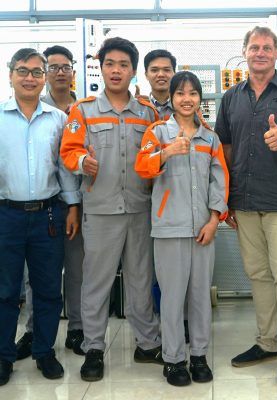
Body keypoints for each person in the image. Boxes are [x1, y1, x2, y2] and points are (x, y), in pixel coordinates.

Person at [215, 26, 277, 386]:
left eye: (267, 47)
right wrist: (225, 199)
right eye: (254, 47)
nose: (260, 52)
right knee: (258, 275)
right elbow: (223, 151)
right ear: (244, 52)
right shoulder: (230, 98)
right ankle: (267, 342)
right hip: (243, 200)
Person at [60, 37, 162, 382]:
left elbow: (154, 158)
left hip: (139, 209)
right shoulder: (84, 110)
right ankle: (93, 348)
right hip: (101, 210)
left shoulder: (147, 113)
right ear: (100, 68)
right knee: (96, 282)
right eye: (109, 64)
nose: (116, 70)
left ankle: (147, 343)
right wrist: (82, 161)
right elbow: (68, 151)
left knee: (140, 279)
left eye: (123, 65)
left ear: (133, 71)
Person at [136, 71, 228, 386]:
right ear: (172, 98)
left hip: (203, 229)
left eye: (193, 93)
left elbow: (220, 181)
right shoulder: (157, 132)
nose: (187, 99)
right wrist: (167, 152)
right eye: (180, 93)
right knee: (173, 297)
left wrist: (215, 219)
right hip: (169, 228)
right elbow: (142, 168)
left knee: (201, 296)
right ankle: (174, 359)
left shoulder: (210, 138)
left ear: (200, 98)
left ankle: (199, 355)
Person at [0, 48, 80, 386]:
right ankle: (4, 356)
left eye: (36, 72)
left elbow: (64, 169)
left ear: (44, 76)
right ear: (10, 75)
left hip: (50, 214)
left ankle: (44, 351)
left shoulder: (57, 119)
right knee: (5, 290)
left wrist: (72, 206)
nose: (30, 78)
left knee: (48, 288)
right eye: (23, 71)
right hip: (7, 216)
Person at [144, 49, 176, 120]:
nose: (161, 75)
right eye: (154, 70)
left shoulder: (183, 108)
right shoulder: (138, 107)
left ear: (174, 74)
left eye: (166, 70)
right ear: (146, 75)